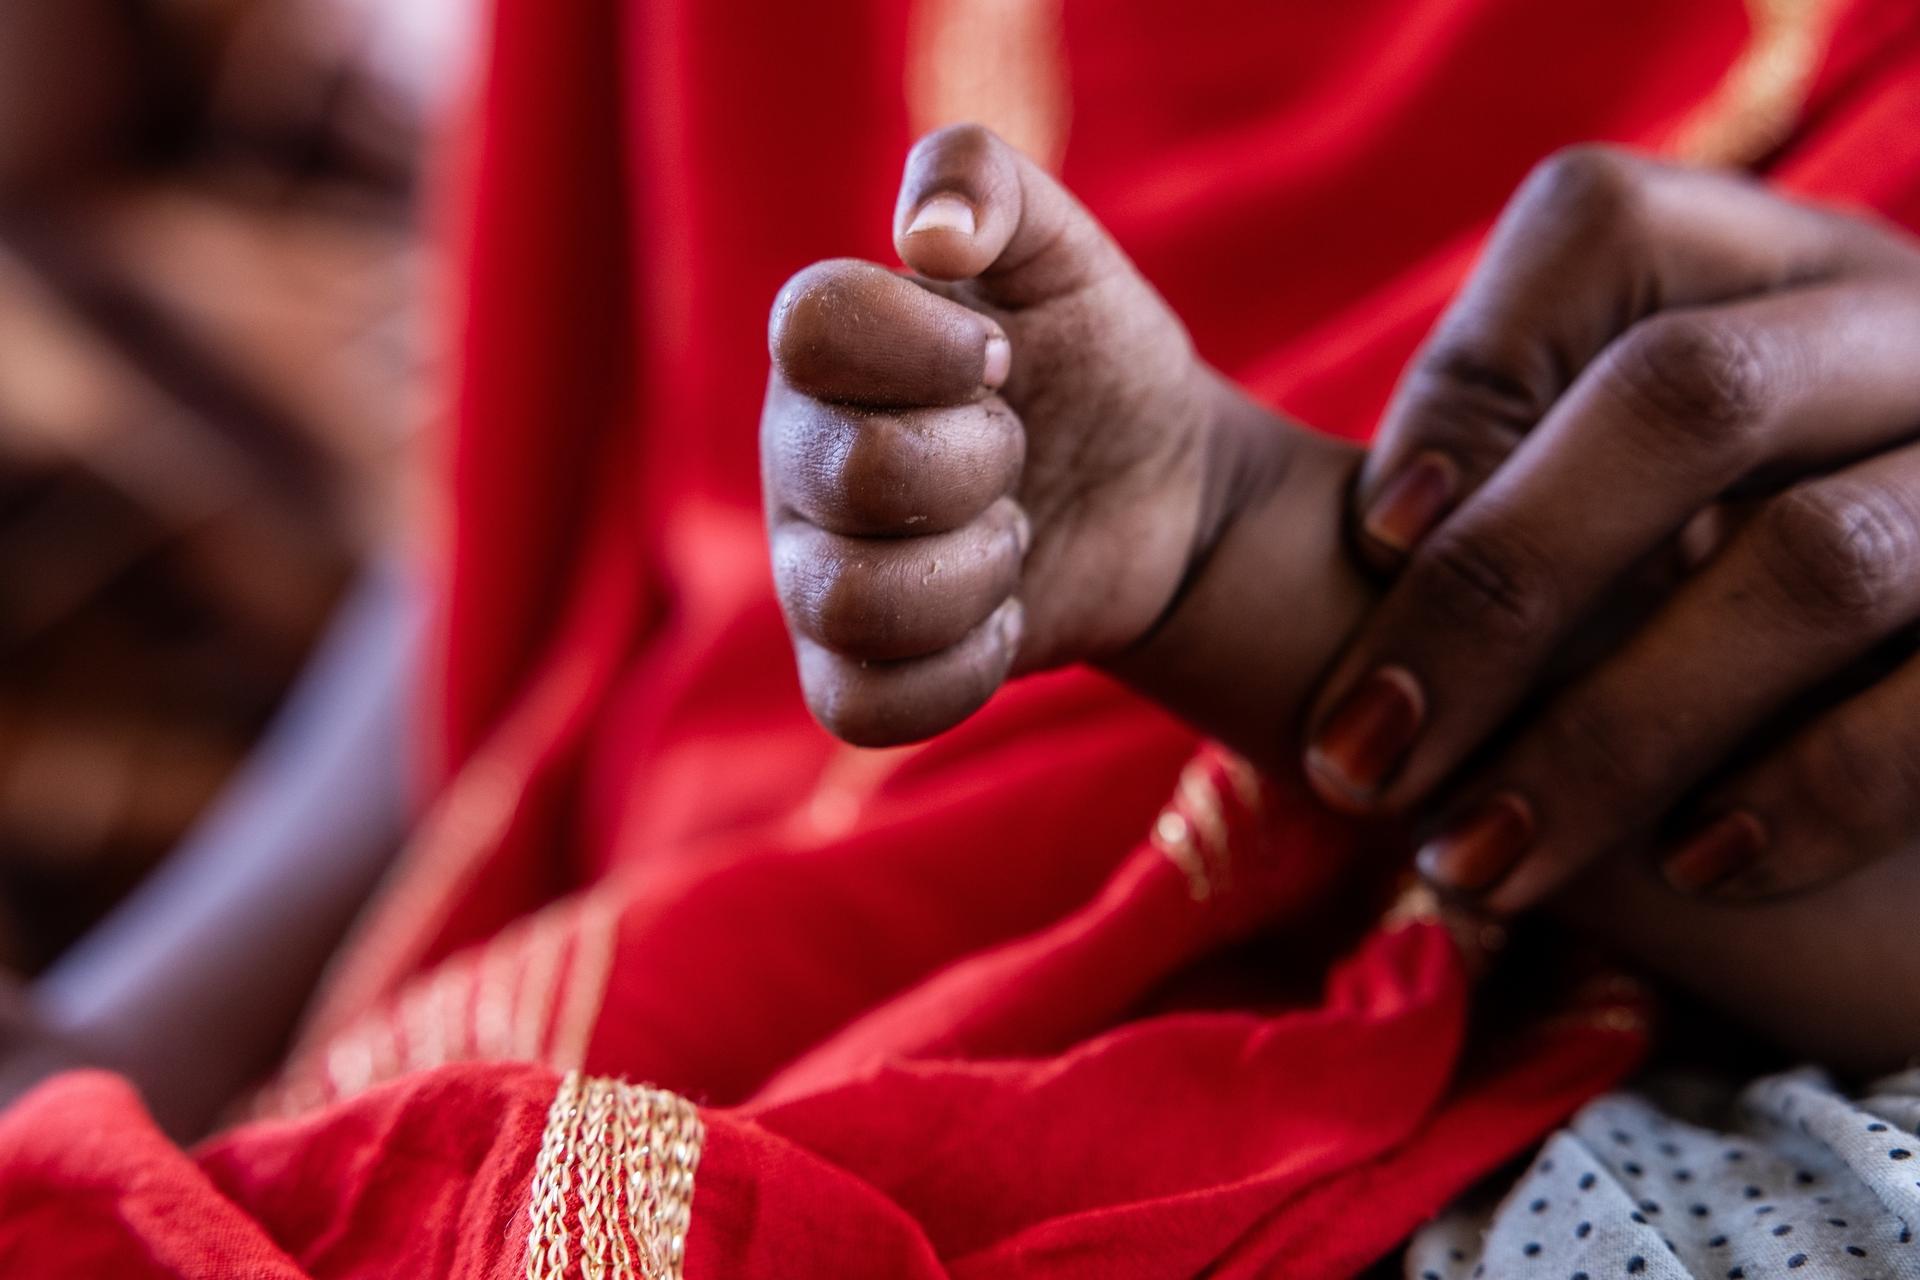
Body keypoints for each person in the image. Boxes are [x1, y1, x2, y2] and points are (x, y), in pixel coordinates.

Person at [4, 2, 1920, 1278]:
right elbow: (568, 505)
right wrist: (107, 1038)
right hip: (630, 971)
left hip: (1382, 1025)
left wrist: (1231, 561)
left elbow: (1824, 737)